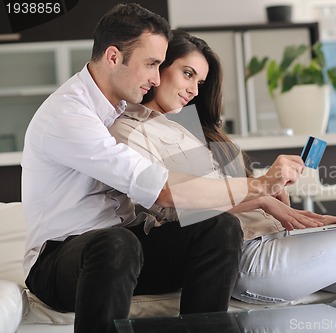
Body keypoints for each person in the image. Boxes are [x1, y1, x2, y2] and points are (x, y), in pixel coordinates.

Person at [109, 29, 336, 307]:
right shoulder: (131, 129)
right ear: (159, 67)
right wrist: (260, 196)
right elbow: (176, 210)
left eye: (199, 82)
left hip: (273, 237)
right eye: (187, 74)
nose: (193, 90)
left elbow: (214, 197)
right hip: (248, 254)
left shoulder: (187, 127)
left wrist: (267, 191)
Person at [21, 5, 303, 333]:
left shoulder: (123, 109)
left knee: (219, 227)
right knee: (116, 243)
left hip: (124, 245)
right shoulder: (69, 114)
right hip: (59, 260)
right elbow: (165, 191)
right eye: (152, 64)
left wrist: (257, 191)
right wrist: (261, 187)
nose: (156, 78)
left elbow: (178, 184)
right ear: (113, 56)